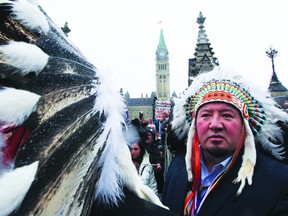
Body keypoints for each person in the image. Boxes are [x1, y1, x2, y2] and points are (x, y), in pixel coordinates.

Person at [162, 69, 288, 216]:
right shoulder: (178, 167)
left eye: (227, 115)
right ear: (194, 124)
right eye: (206, 115)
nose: (215, 124)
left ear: (244, 125)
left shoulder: (277, 181)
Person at [144, 126, 165, 194]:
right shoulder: (142, 146)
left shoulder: (158, 145)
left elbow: (159, 157)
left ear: (153, 137)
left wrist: (159, 164)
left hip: (156, 175)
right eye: (146, 135)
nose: (147, 137)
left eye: (149, 135)